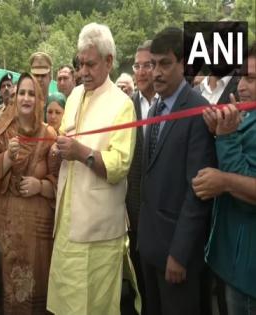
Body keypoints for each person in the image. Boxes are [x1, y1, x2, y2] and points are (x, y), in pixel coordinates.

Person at [47, 22, 138, 315]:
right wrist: (57, 149)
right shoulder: (74, 96)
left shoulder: (122, 104)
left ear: (109, 61)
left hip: (98, 231)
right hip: (66, 223)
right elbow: (65, 134)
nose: (83, 71)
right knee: (65, 305)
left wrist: (80, 152)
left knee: (95, 306)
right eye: (80, 63)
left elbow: (119, 164)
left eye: (90, 64)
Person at [137, 27, 216, 315]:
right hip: (149, 248)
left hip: (176, 256)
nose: (155, 72)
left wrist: (179, 255)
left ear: (184, 64)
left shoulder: (198, 111)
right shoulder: (154, 108)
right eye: (152, 64)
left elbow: (198, 193)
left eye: (165, 64)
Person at [0, 72, 57, 315]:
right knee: (6, 293)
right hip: (4, 226)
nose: (26, 98)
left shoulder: (49, 135)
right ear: (15, 97)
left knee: (35, 292)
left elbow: (61, 182)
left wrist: (40, 186)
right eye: (22, 92)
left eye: (31, 93)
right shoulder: (3, 131)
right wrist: (7, 159)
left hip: (36, 230)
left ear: (39, 98)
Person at [192, 41, 256, 315]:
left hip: (248, 273)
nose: (240, 87)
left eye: (251, 79)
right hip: (231, 259)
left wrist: (225, 180)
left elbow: (245, 195)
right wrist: (218, 132)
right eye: (241, 76)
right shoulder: (246, 114)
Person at [126, 39, 157, 315]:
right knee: (140, 295)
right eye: (139, 65)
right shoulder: (127, 106)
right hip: (133, 217)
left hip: (163, 221)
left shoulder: (169, 106)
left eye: (148, 65)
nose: (143, 71)